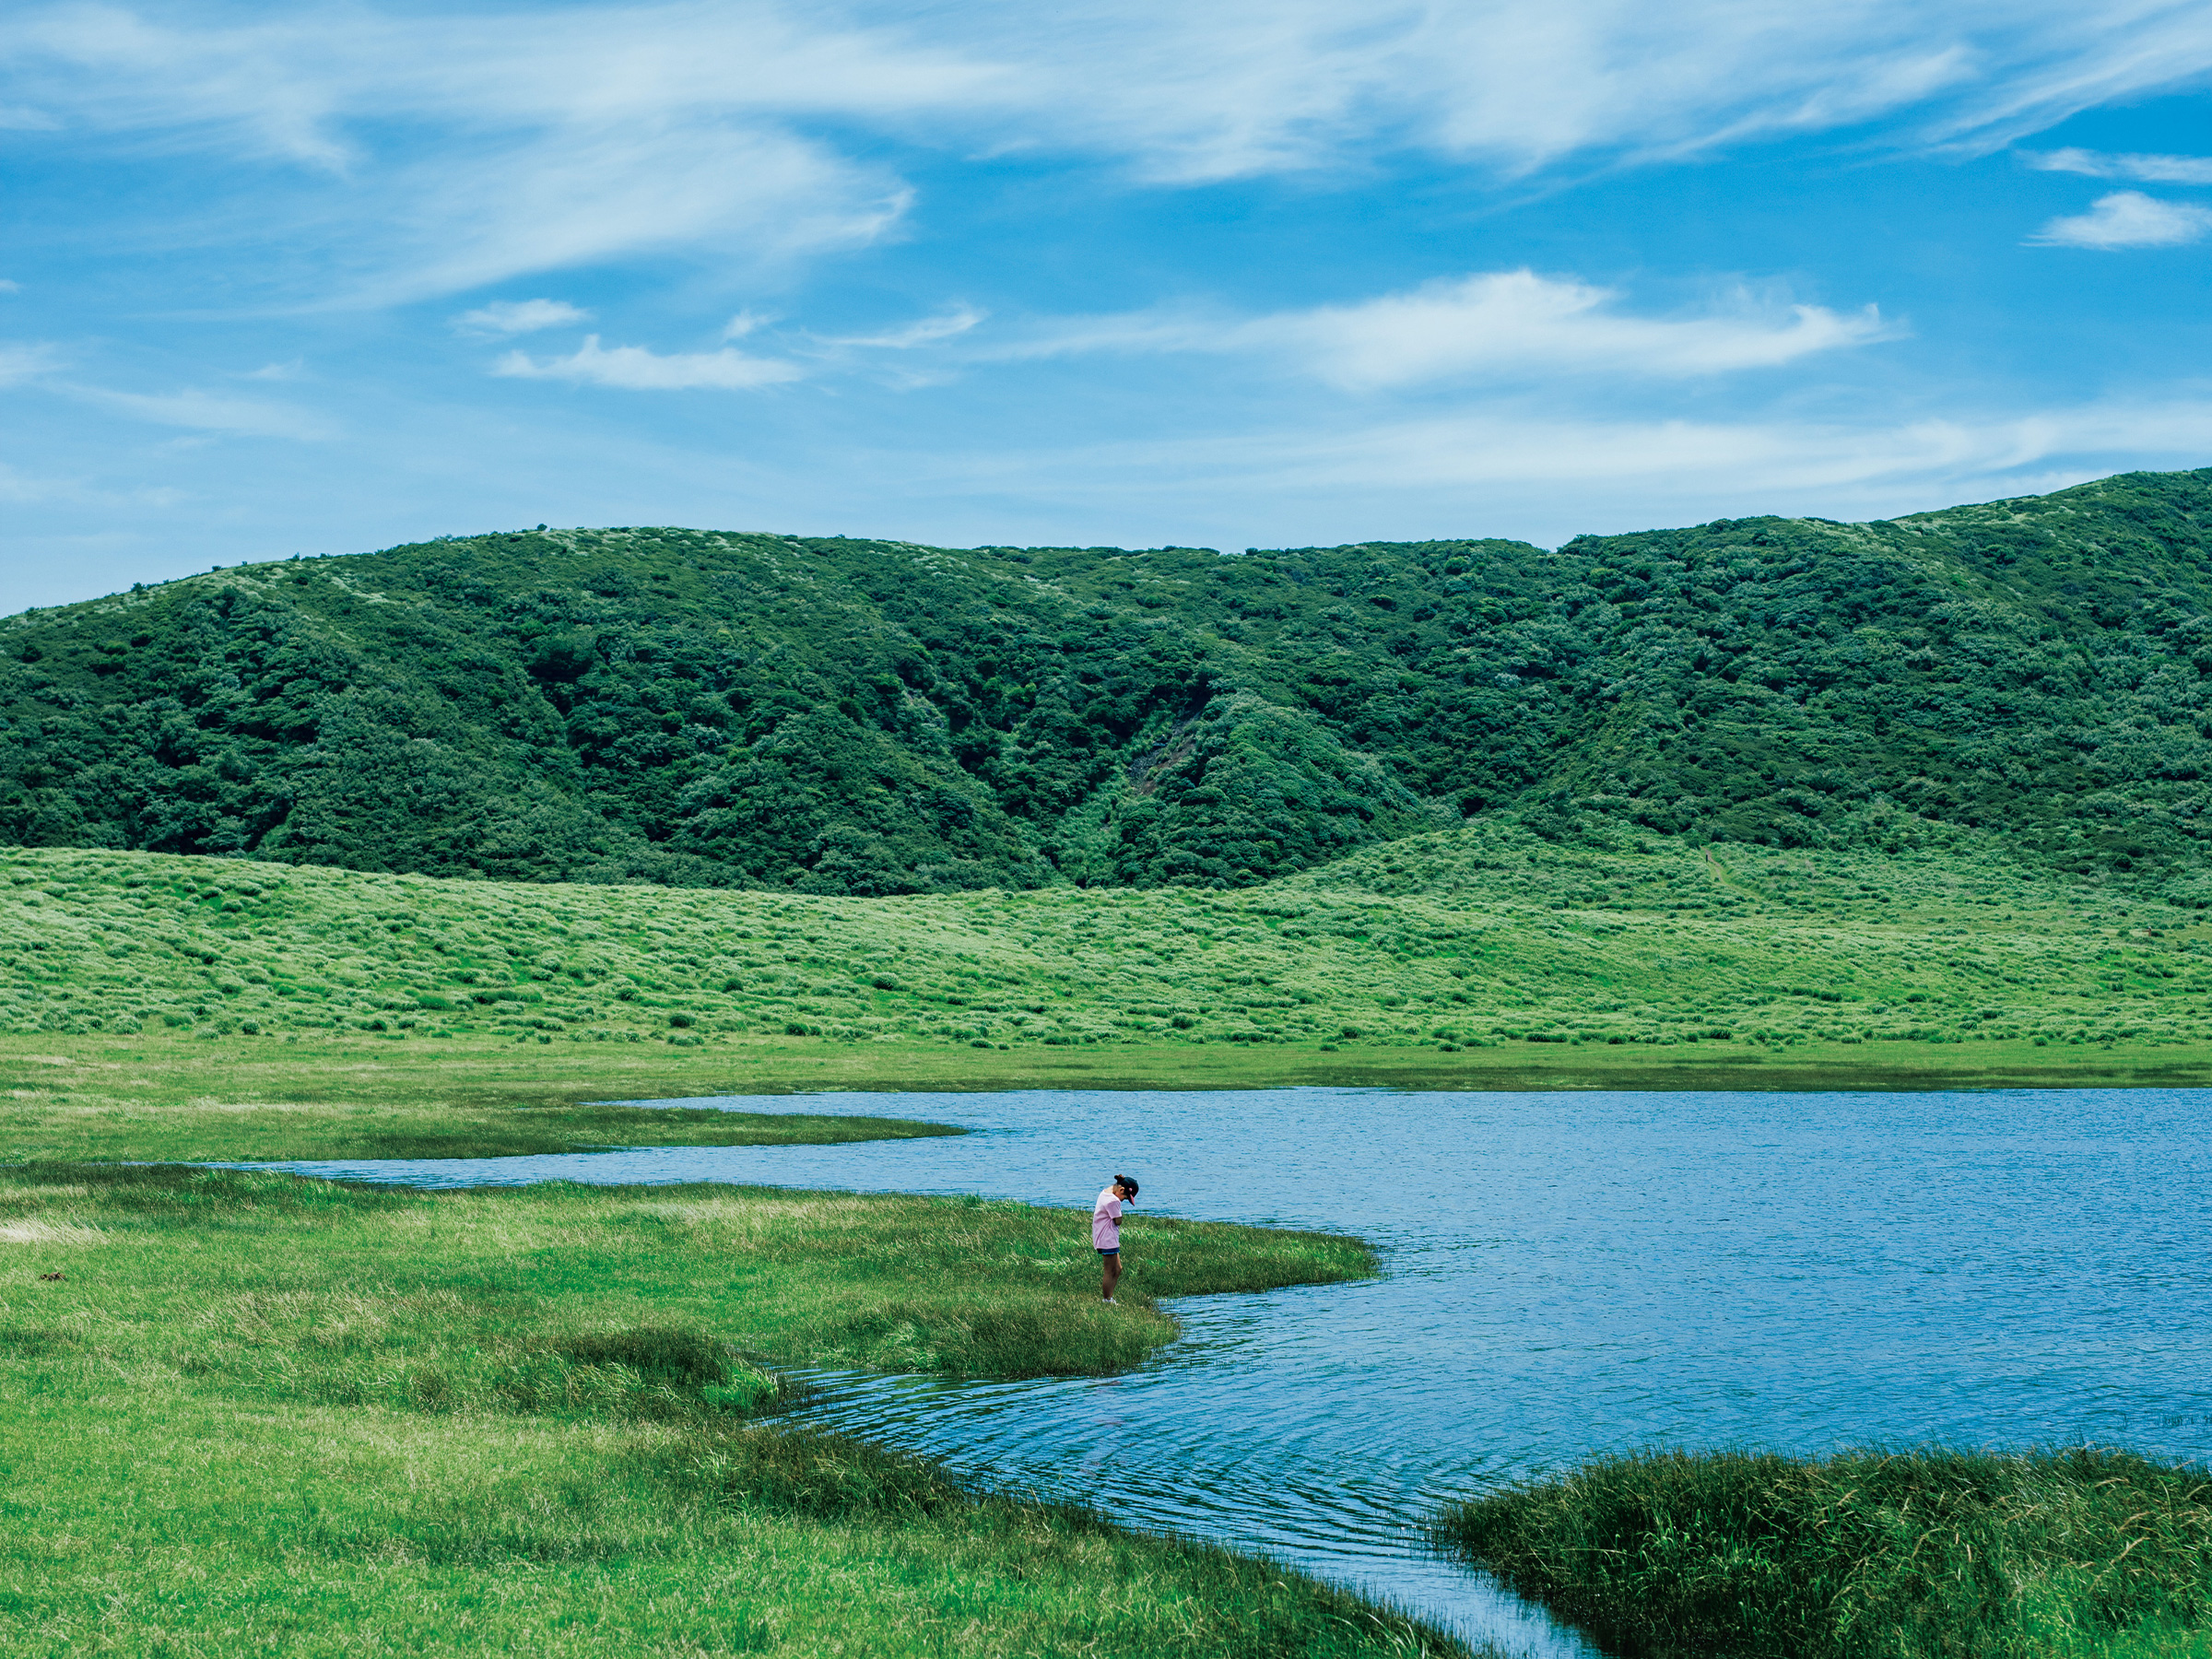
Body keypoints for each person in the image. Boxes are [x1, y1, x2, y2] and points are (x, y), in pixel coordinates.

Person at [1093, 1173, 1138, 1303]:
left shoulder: (1106, 1192)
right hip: (1107, 1239)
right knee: (1109, 1270)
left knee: (1118, 1268)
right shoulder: (1113, 1201)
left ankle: (1110, 1297)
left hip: (1107, 1237)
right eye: (1125, 1198)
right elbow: (1118, 1221)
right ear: (1121, 1190)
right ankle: (1106, 1300)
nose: (1123, 1200)